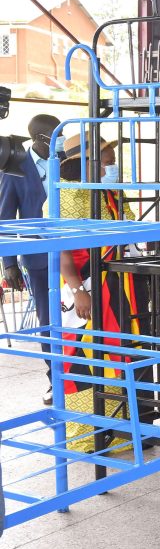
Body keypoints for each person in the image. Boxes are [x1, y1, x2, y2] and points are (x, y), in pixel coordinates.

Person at [59, 133, 151, 451]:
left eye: (111, 156)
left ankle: (120, 429)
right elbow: (62, 249)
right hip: (84, 286)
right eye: (106, 157)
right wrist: (78, 290)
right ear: (84, 161)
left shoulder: (108, 190)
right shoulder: (67, 194)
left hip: (115, 285)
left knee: (116, 351)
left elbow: (128, 227)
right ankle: (87, 436)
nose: (111, 162)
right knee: (82, 358)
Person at [0, 113, 59, 404]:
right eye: (54, 136)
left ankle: (87, 378)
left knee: (83, 319)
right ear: (39, 139)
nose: (60, 141)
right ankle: (56, 381)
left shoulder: (71, 161)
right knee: (50, 320)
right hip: (39, 258)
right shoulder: (16, 168)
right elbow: (5, 217)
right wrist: (9, 263)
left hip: (78, 252)